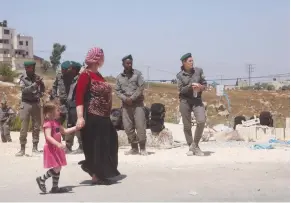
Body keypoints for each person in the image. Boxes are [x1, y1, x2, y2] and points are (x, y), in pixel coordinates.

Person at [76, 47, 120, 185]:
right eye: (102, 56)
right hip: (93, 116)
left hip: (104, 117)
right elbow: (79, 98)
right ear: (97, 58)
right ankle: (97, 175)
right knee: (96, 146)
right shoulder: (85, 75)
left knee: (109, 143)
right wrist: (80, 117)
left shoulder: (99, 75)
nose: (104, 59)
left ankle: (102, 172)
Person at [36, 102, 79, 194]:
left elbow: (65, 131)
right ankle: (41, 179)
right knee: (57, 167)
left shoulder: (56, 123)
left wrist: (76, 127)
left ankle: (55, 187)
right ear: (51, 112)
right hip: (52, 148)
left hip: (57, 148)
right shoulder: (48, 123)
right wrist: (58, 144)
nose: (60, 111)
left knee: (58, 167)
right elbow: (48, 136)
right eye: (57, 110)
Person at [115, 54, 148, 156]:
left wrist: (132, 98)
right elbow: (117, 91)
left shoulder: (137, 74)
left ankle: (142, 148)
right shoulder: (119, 77)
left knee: (140, 126)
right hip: (126, 105)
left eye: (130, 63)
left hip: (137, 104)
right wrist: (125, 99)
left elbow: (141, 87)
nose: (129, 65)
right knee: (128, 127)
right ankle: (134, 148)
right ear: (123, 64)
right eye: (127, 63)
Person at [176, 53, 207, 156]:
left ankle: (195, 145)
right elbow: (181, 90)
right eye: (190, 61)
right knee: (187, 125)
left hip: (197, 100)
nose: (192, 62)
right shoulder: (179, 75)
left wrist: (200, 87)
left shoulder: (199, 71)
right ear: (184, 63)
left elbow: (205, 84)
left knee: (201, 121)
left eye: (192, 60)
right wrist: (190, 86)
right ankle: (191, 146)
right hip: (185, 101)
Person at [51, 61, 83, 154]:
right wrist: (54, 97)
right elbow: (54, 86)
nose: (63, 71)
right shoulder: (59, 76)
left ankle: (79, 145)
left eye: (65, 70)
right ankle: (62, 145)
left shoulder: (74, 77)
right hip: (62, 103)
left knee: (73, 124)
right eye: (62, 69)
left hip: (73, 104)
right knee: (58, 124)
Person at [16, 61, 45, 156]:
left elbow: (42, 88)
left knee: (36, 126)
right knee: (24, 127)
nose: (29, 69)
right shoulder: (22, 78)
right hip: (26, 103)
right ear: (25, 68)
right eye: (27, 67)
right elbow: (24, 91)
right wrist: (34, 85)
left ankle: (35, 147)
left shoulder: (37, 77)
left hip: (36, 103)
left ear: (33, 68)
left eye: (31, 67)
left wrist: (40, 93)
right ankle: (22, 149)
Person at [65, 61, 83, 154]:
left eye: (70, 68)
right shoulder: (72, 79)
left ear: (75, 70)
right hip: (70, 106)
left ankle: (81, 146)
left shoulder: (80, 79)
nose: (68, 70)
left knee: (78, 126)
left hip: (77, 106)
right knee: (69, 125)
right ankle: (68, 147)